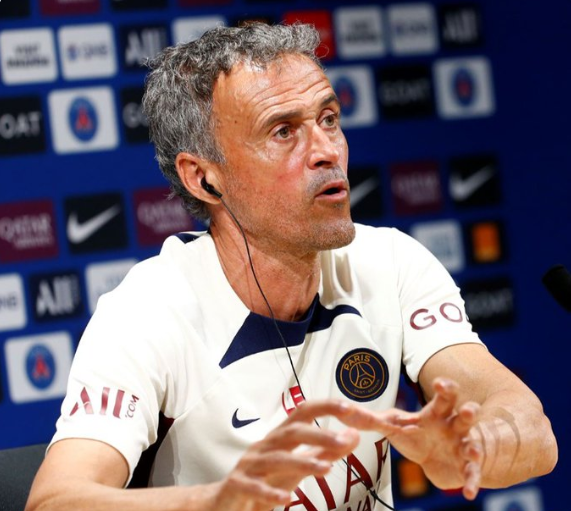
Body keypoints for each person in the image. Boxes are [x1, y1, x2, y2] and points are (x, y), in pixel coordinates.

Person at [26, 23, 557, 511]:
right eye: (283, 131)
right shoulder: (148, 312)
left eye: (329, 119)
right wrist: (216, 502)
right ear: (204, 178)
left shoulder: (391, 262)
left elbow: (532, 431)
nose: (327, 151)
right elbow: (54, 502)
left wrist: (473, 447)